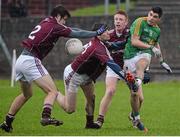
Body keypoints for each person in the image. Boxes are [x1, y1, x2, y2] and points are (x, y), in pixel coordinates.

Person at [0, 5, 108, 133]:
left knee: (26, 94)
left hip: (21, 60)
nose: (64, 23)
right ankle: (46, 116)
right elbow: (75, 32)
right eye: (64, 20)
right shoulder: (55, 26)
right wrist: (95, 33)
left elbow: (71, 29)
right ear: (58, 16)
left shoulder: (46, 21)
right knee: (53, 91)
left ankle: (7, 122)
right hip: (31, 61)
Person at [56, 23, 137, 129]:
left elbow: (114, 45)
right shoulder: (97, 47)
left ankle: (89, 124)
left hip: (86, 77)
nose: (109, 32)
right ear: (99, 35)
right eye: (106, 31)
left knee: (91, 98)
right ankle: (54, 92)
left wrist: (127, 41)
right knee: (70, 109)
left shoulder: (101, 42)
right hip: (74, 76)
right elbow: (112, 65)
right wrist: (127, 78)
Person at [123, 7, 172, 132]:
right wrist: (151, 47)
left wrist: (162, 61)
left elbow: (155, 44)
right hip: (129, 57)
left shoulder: (157, 30)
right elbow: (134, 41)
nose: (151, 18)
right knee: (137, 97)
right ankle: (136, 118)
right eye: (150, 14)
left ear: (159, 19)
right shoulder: (140, 21)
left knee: (143, 62)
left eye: (155, 16)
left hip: (143, 55)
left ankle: (137, 82)